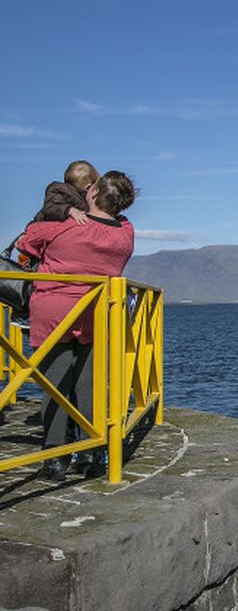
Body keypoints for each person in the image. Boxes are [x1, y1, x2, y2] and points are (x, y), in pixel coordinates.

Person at [16, 171, 136, 480]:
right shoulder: (125, 232)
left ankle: (56, 457)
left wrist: (64, 208)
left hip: (55, 312)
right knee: (88, 384)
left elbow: (26, 240)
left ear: (93, 193)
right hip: (96, 313)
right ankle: (91, 453)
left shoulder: (59, 228)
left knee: (55, 385)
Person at [34, 160, 99, 224]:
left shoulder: (82, 198)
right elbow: (49, 208)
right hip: (39, 223)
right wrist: (70, 210)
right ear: (88, 187)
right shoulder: (60, 191)